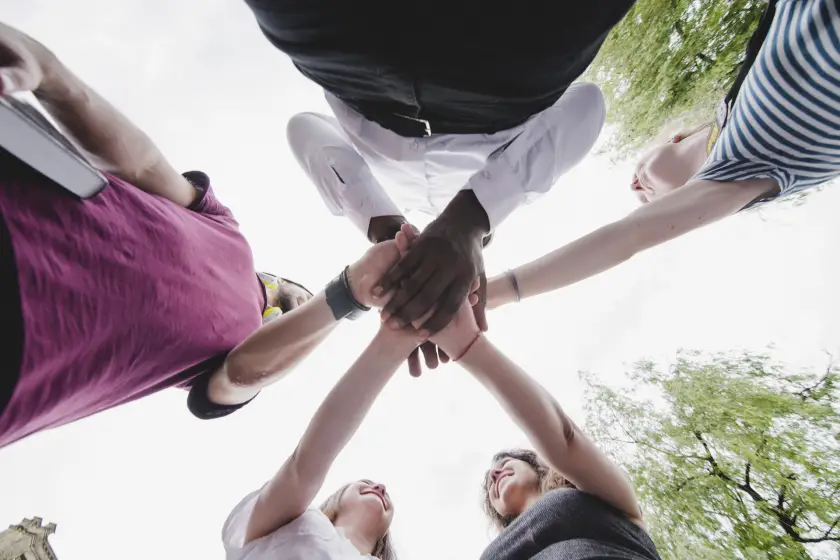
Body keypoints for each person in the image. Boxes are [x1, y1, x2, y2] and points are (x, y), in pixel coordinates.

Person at [243, 0, 636, 369]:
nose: (436, 271)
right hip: (507, 72)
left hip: (350, 64)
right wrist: (469, 221)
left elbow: (304, 130)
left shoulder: (388, 195)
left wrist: (389, 237)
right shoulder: (524, 177)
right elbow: (587, 105)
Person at [0, 21, 312, 448]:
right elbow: (144, 167)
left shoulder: (249, 354)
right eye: (300, 297)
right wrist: (53, 75)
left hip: (20, 364)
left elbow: (244, 374)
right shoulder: (227, 231)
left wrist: (343, 301)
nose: (304, 311)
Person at [484, 0, 840, 311]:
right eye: (647, 201)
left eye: (639, 184)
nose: (637, 187)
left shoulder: (741, 95)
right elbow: (628, 237)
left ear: (674, 137)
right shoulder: (738, 179)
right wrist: (493, 294)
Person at [389, 223, 659, 559]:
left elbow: (565, 440)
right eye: (491, 481)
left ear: (541, 467)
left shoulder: (610, 504)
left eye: (506, 462)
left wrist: (467, 344)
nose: (494, 474)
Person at [221, 238, 483, 560]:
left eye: (372, 484)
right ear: (331, 500)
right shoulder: (296, 524)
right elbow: (306, 465)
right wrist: (394, 342)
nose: (380, 488)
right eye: (365, 482)